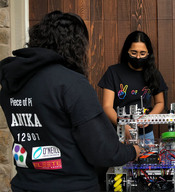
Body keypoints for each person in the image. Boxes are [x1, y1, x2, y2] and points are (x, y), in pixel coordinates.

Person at [0, 10, 140, 192]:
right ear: (75, 46)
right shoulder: (71, 83)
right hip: (72, 185)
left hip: (25, 184)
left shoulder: (12, 82)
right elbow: (104, 151)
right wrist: (133, 151)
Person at [98, 31, 168, 144]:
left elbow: (160, 103)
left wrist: (149, 118)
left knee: (147, 161)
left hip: (146, 134)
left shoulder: (154, 74)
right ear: (127, 51)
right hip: (118, 132)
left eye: (143, 53)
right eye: (134, 53)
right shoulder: (113, 72)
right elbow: (107, 107)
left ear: (149, 53)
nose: (138, 57)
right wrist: (122, 125)